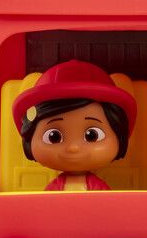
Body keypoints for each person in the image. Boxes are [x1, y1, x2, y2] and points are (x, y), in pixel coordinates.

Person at [12, 60, 136, 191]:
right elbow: (47, 202)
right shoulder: (55, 187)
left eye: (92, 136)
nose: (73, 147)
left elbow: (106, 201)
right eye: (54, 137)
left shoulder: (97, 187)